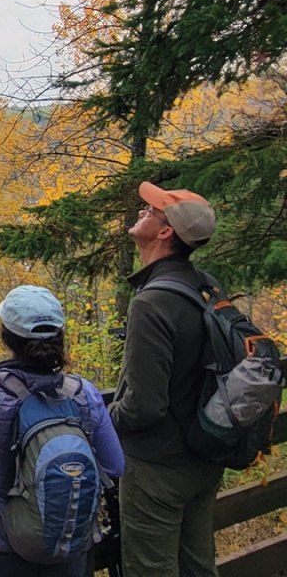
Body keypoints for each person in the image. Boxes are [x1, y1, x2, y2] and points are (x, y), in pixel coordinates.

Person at [0, 285, 125, 577]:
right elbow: (115, 465)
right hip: (68, 548)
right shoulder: (84, 393)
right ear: (59, 337)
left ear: (6, 337)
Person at [108, 181, 224, 577]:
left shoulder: (152, 302)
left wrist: (104, 421)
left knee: (151, 571)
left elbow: (143, 406)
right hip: (204, 457)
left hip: (157, 469)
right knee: (198, 567)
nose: (142, 212)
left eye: (151, 211)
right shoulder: (205, 286)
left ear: (164, 232)